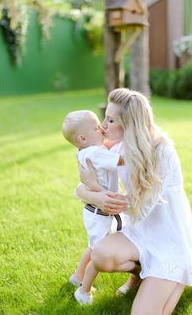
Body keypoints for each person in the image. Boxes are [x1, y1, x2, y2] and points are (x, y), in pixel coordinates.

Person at [76, 88, 192, 315]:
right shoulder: (115, 145)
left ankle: (190, 269)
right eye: (105, 118)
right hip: (140, 232)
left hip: (170, 238)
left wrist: (100, 194)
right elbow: (81, 184)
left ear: (130, 124)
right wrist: (93, 194)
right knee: (100, 254)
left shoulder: (161, 150)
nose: (103, 125)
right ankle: (147, 274)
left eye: (110, 119)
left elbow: (143, 207)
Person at [61, 110, 125, 304]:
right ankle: (83, 288)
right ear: (82, 137)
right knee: (97, 250)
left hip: (95, 211)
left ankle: (78, 276)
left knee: (93, 247)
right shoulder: (94, 153)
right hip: (99, 212)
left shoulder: (86, 150)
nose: (102, 129)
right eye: (97, 127)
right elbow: (120, 161)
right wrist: (137, 150)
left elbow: (105, 150)